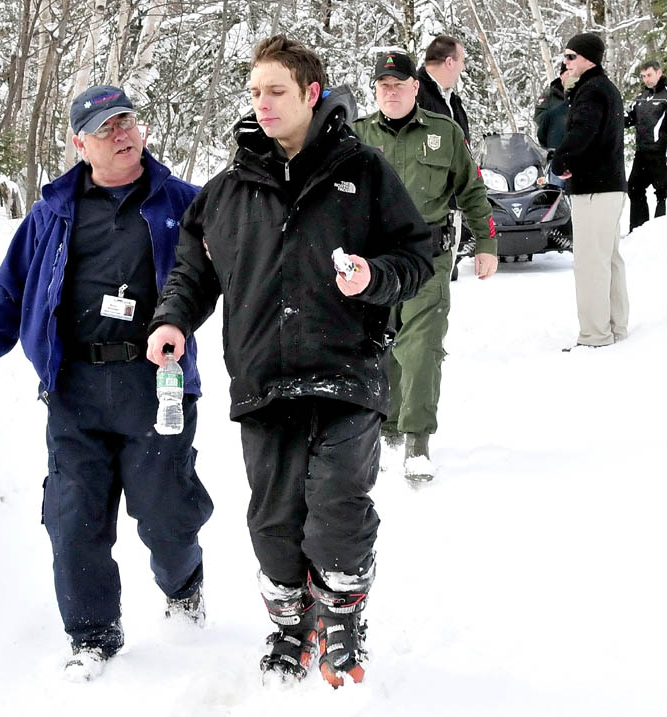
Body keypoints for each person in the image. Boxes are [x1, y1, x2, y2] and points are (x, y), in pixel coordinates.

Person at [146, 35, 433, 688]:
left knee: (337, 506)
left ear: (310, 93)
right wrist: (171, 321)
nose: (262, 103)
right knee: (272, 524)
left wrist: (375, 276)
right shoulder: (227, 191)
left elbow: (416, 255)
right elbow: (192, 269)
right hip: (264, 380)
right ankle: (291, 624)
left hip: (347, 371)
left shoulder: (365, 172)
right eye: (254, 92)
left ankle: (342, 614)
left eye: (276, 90)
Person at [0, 85, 213, 680]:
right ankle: (93, 635)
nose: (121, 133)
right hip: (75, 389)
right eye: (105, 127)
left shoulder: (184, 203)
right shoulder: (51, 214)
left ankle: (185, 586)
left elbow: (238, 266)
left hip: (158, 388)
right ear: (80, 143)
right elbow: (10, 293)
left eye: (127, 121)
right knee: (74, 521)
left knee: (167, 516)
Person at [352, 51, 497, 483]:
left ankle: (416, 439)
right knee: (379, 343)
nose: (390, 92)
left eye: (399, 84)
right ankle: (386, 424)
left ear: (416, 87)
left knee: (421, 344)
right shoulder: (355, 135)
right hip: (373, 261)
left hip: (427, 256)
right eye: (383, 85)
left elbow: (471, 190)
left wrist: (487, 242)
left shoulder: (445, 133)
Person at [552, 33, 628, 349]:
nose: (565, 62)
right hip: (608, 187)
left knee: (590, 262)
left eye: (571, 56)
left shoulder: (591, 91)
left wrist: (561, 161)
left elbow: (582, 132)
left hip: (595, 190)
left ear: (588, 59)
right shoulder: (602, 88)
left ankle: (596, 335)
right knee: (608, 258)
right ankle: (615, 326)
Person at [416, 34, 474, 275]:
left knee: (442, 286)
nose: (463, 66)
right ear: (449, 62)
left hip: (450, 206)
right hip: (427, 211)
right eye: (461, 60)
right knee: (426, 288)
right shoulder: (416, 96)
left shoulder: (451, 99)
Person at [625, 60, 667, 232]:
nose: (646, 79)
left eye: (649, 75)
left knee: (663, 193)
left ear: (659, 73)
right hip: (642, 153)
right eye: (643, 76)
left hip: (662, 154)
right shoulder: (642, 96)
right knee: (634, 189)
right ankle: (638, 230)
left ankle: (661, 236)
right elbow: (628, 118)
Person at [534, 61, 571, 186]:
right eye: (568, 73)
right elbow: (539, 117)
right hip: (556, 151)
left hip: (576, 151)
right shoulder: (550, 94)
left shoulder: (582, 94)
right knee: (557, 191)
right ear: (561, 75)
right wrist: (558, 116)